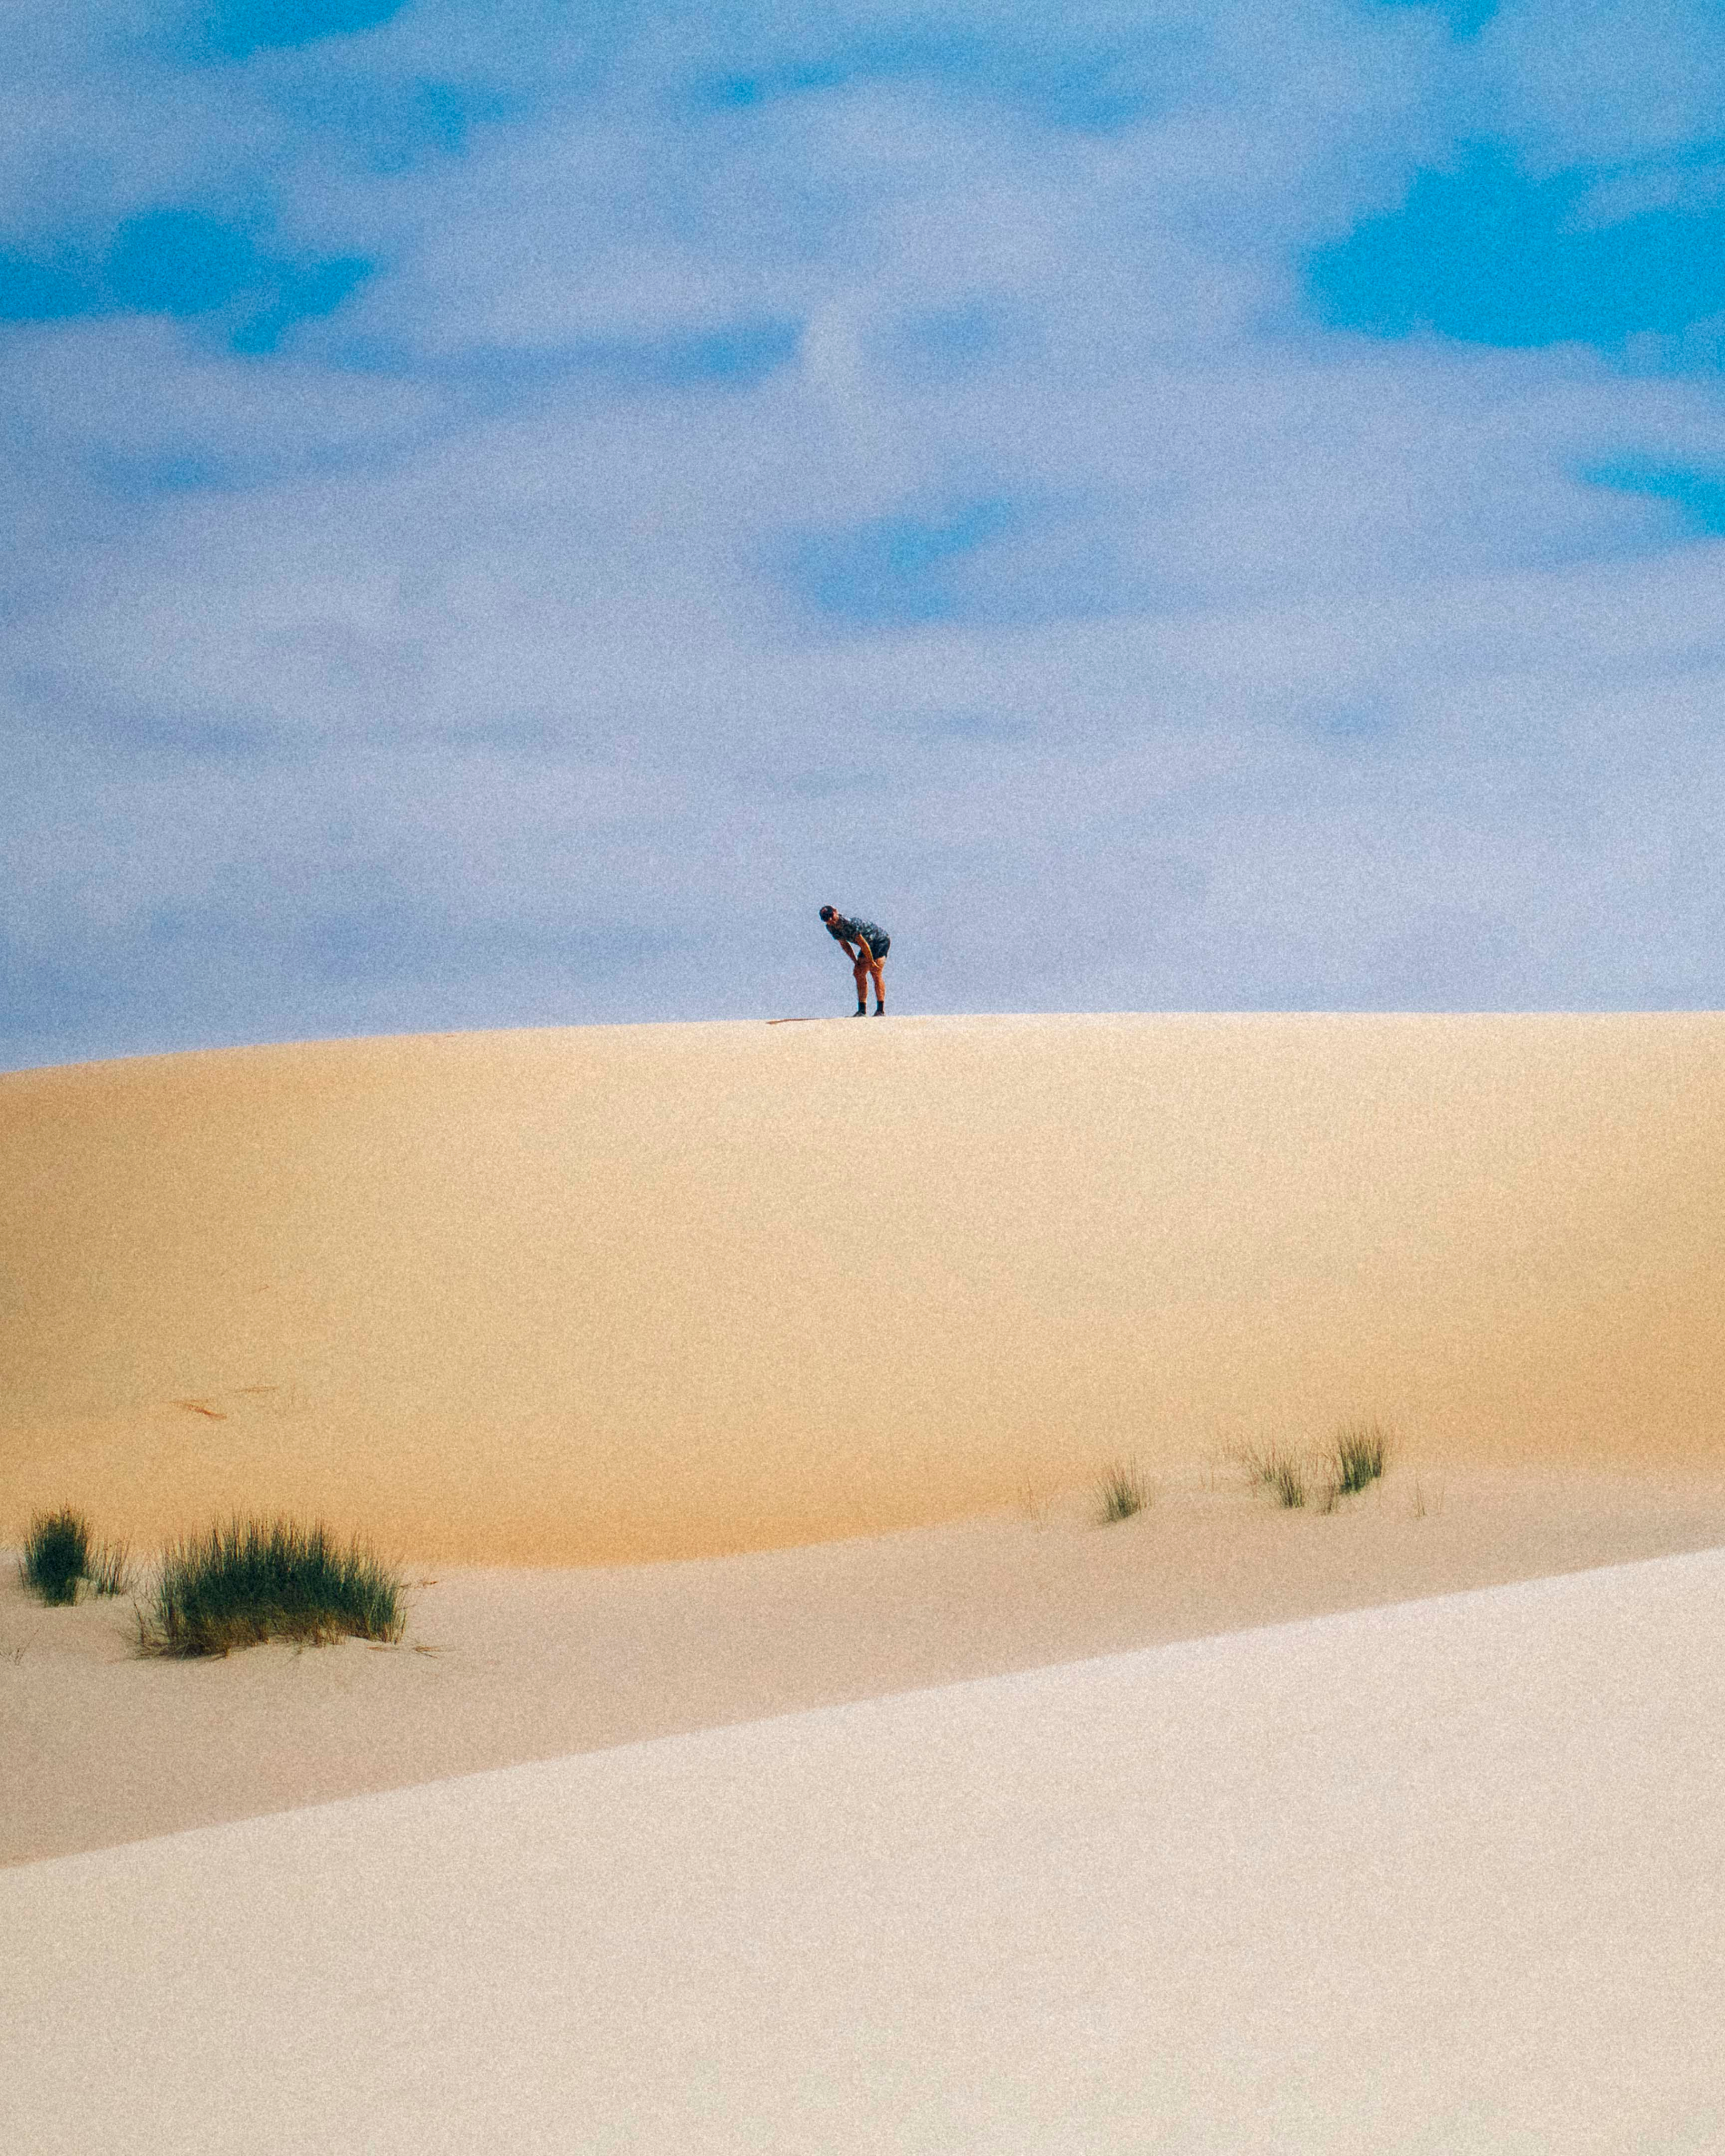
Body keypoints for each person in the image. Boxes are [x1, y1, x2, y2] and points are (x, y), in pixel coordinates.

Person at [818, 905, 889, 1015]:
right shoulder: (831, 927)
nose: (830, 920)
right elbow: (845, 945)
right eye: (826, 919)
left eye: (831, 916)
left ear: (836, 912)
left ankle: (880, 1010)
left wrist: (871, 962)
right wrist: (855, 962)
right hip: (867, 945)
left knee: (875, 972)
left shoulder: (848, 924)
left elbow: (863, 943)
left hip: (879, 941)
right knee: (858, 973)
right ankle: (862, 1010)